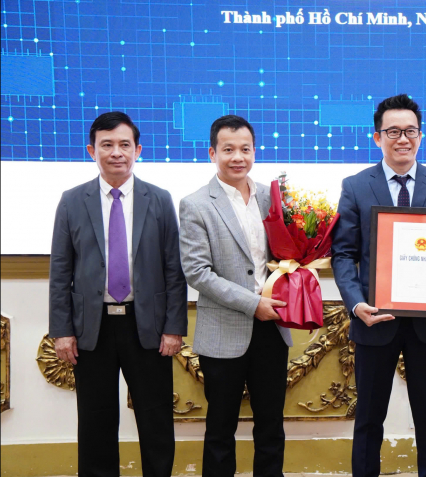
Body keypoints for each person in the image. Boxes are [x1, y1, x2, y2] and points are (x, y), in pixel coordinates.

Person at [331, 94, 426, 477]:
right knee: (368, 418)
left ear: (421, 135)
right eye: (393, 131)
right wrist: (356, 304)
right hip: (374, 320)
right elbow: (343, 254)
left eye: (411, 131)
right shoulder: (355, 186)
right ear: (377, 137)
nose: (403, 139)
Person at [49, 111, 187, 477]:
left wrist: (174, 327)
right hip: (92, 329)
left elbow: (173, 269)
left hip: (148, 327)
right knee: (95, 420)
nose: (116, 152)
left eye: (124, 144)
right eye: (106, 145)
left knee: (156, 418)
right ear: (91, 150)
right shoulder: (72, 201)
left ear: (137, 150)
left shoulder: (159, 199)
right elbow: (60, 271)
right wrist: (62, 331)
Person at [179, 115, 291, 477]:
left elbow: (287, 255)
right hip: (224, 331)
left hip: (272, 328)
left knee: (271, 425)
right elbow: (198, 272)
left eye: (245, 149)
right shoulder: (196, 204)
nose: (237, 157)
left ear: (255, 151)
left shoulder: (272, 199)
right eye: (228, 149)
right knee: (220, 428)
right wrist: (252, 303)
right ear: (213, 153)